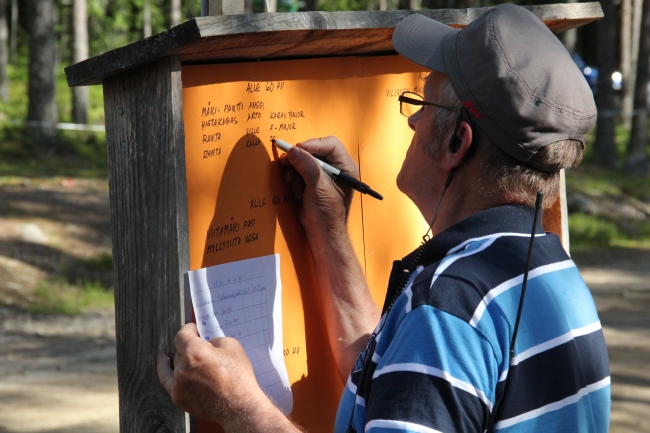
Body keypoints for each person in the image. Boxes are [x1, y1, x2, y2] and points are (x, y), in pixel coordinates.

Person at [157, 4, 610, 432]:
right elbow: (397, 376)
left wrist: (238, 406)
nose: (411, 123)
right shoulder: (553, 275)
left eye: (422, 105)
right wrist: (328, 227)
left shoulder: (450, 307)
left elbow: (432, 360)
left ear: (457, 143)